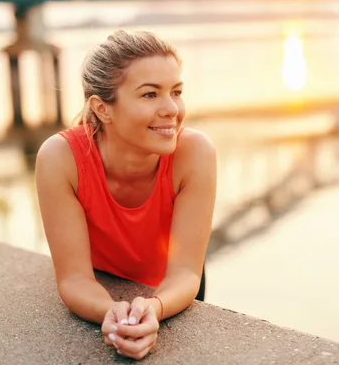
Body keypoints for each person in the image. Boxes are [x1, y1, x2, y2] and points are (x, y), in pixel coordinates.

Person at [34, 30, 217, 360]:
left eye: (176, 92)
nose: (171, 109)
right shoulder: (60, 158)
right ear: (102, 108)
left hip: (175, 289)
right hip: (102, 283)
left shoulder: (196, 152)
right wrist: (114, 316)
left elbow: (187, 273)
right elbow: (74, 278)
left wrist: (153, 309)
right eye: (150, 95)